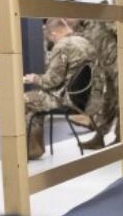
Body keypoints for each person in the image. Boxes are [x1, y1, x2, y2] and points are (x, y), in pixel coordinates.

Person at [23, 18, 96, 160]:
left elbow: (52, 80)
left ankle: (31, 150)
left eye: (50, 38)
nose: (51, 41)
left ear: (54, 33)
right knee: (35, 101)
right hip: (84, 96)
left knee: (23, 100)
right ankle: (33, 149)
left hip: (64, 98)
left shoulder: (62, 46)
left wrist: (34, 78)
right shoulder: (84, 41)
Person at [72, 13, 116, 149]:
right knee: (110, 101)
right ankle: (99, 136)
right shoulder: (83, 27)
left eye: (68, 18)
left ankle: (122, 136)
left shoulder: (97, 23)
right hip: (108, 68)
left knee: (122, 103)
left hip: (117, 67)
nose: (66, 21)